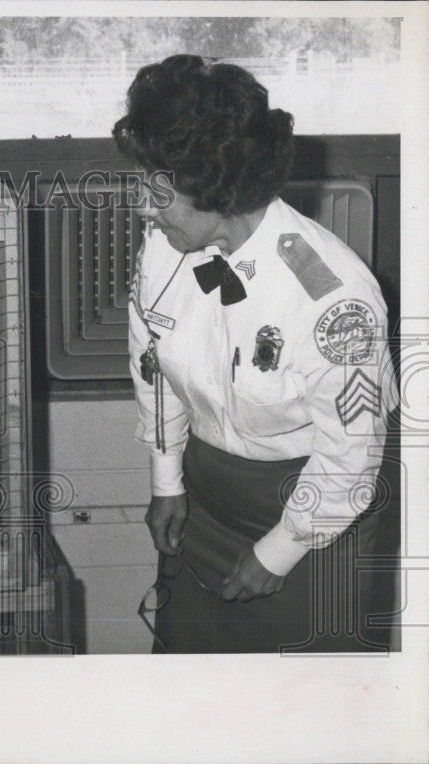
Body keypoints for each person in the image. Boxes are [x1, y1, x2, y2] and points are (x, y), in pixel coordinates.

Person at [114, 55, 396, 652]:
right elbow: (154, 368)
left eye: (159, 190)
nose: (143, 205)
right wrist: (167, 482)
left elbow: (351, 455)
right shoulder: (163, 251)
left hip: (314, 515)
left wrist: (280, 550)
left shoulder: (332, 299)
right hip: (206, 498)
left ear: (220, 193)